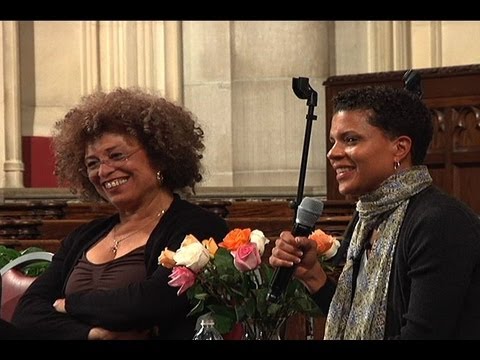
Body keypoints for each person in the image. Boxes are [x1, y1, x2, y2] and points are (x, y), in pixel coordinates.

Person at [11, 87, 229, 340]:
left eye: (116, 156)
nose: (103, 171)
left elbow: (149, 303)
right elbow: (26, 313)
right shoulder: (84, 236)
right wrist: (92, 334)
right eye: (92, 163)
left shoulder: (198, 227)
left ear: (158, 158)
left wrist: (68, 304)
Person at [269, 85, 480, 340]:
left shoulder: (439, 222)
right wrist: (314, 277)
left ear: (400, 148)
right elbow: (355, 322)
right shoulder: (366, 216)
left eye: (350, 140)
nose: (332, 153)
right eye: (333, 141)